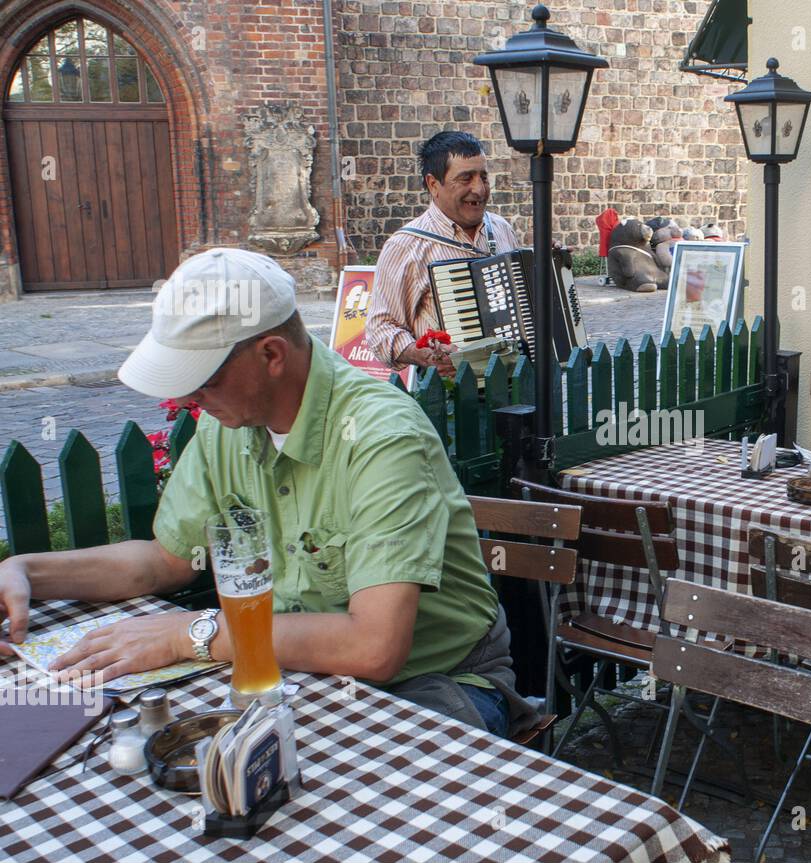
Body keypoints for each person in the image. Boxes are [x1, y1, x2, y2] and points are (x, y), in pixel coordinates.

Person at [0, 248, 537, 738]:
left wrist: (188, 633)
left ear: (272, 355)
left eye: (202, 379)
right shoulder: (226, 425)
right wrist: (27, 571)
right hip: (303, 672)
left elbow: (374, 648)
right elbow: (166, 561)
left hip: (437, 681)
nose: (187, 398)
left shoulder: (381, 434)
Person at [366, 130, 521, 375]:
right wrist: (423, 355)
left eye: (483, 177)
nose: (479, 189)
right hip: (453, 397)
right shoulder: (406, 246)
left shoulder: (501, 229)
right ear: (433, 184)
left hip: (515, 385)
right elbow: (381, 329)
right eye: (466, 178)